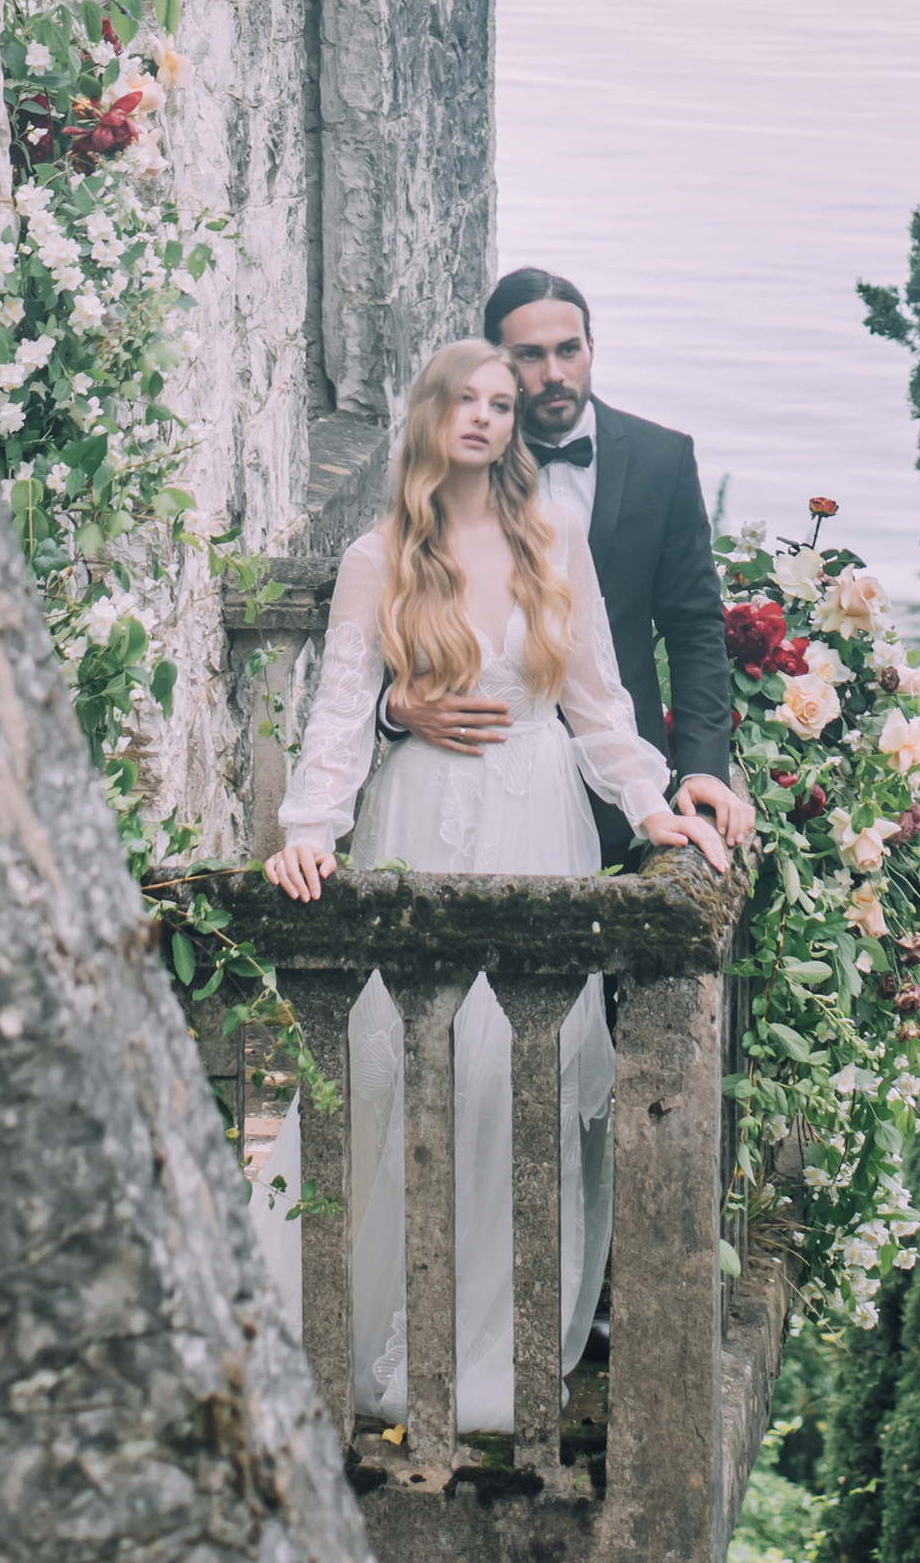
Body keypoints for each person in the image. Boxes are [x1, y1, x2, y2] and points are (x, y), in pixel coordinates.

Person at [255, 340, 728, 1434]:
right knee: (402, 1068)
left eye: (501, 404)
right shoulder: (381, 555)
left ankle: (485, 1356)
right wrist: (307, 830)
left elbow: (603, 696)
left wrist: (655, 807)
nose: (483, 417)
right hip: (419, 814)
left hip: (537, 812)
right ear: (426, 414)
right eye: (463, 399)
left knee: (512, 1079)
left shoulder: (551, 535)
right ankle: (353, 1331)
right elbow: (338, 711)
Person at [381, 270, 757, 860]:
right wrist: (394, 707)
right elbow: (395, 596)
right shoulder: (455, 467)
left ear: (590, 348)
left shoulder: (664, 460)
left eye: (568, 350)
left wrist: (701, 769)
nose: (553, 374)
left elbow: (694, 627)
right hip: (464, 783)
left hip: (623, 794)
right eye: (529, 356)